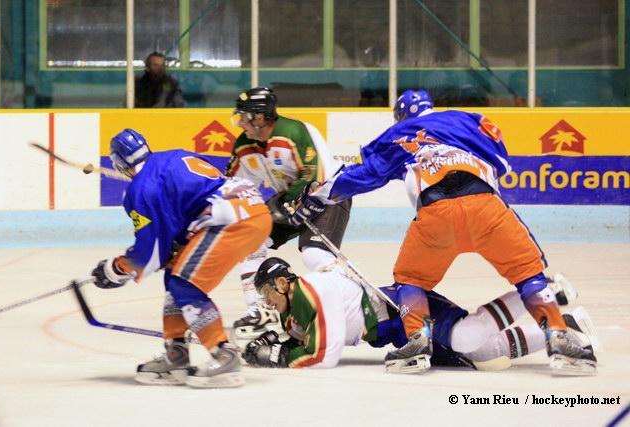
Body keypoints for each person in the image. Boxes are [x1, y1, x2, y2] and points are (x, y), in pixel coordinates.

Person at [290, 89, 597, 375]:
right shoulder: (470, 120)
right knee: (529, 273)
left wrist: (317, 198)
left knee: (410, 280)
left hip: (436, 214)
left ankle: (418, 344)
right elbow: (502, 163)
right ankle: (559, 338)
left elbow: (365, 175)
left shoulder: (400, 133)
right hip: (487, 208)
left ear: (401, 116)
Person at [89, 128, 272, 388]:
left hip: (229, 219)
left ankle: (225, 356)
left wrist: (115, 269)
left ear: (118, 163)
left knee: (185, 285)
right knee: (176, 274)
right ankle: (176, 355)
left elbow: (150, 253)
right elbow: (179, 223)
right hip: (250, 209)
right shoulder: (171, 157)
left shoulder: (142, 189)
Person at [241, 257, 596, 372]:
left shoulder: (312, 291)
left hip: (404, 309)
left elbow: (324, 354)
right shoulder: (296, 308)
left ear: (285, 283)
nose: (267, 301)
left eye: (268, 292)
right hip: (395, 331)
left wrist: (282, 355)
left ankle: (542, 288)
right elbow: (314, 337)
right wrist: (287, 340)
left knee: (467, 337)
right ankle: (573, 325)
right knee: (483, 353)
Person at [226, 87, 350, 336]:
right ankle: (259, 312)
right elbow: (232, 186)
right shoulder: (245, 146)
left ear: (259, 118)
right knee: (251, 243)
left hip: (328, 195)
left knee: (314, 254)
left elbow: (317, 177)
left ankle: (347, 305)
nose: (240, 123)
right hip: (290, 201)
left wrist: (292, 202)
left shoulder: (295, 132)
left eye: (244, 116)